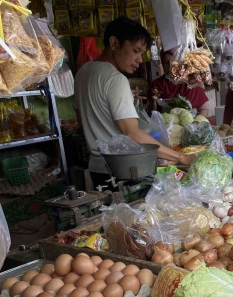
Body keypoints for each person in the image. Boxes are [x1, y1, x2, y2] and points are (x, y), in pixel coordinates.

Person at [74, 17, 192, 186]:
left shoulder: (83, 73)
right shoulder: (116, 79)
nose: (139, 59)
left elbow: (81, 122)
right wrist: (181, 157)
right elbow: (132, 134)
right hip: (123, 171)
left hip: (96, 170)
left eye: (142, 53)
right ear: (114, 43)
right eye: (136, 51)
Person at [147, 50, 209, 116]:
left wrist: (196, 123)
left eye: (174, 61)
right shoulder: (157, 85)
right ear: (162, 64)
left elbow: (204, 109)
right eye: (166, 62)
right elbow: (151, 114)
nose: (170, 65)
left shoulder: (192, 82)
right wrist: (153, 101)